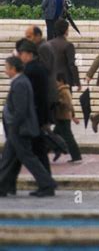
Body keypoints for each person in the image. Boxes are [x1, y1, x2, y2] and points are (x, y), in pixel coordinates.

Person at [0, 56, 56, 197]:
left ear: (13, 68)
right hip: (18, 129)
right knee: (7, 158)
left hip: (19, 129)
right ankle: (4, 186)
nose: (5, 71)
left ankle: (47, 184)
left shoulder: (20, 83)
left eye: (7, 68)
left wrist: (14, 127)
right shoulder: (21, 81)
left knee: (28, 158)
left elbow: (21, 109)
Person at [15, 40, 51, 174]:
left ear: (29, 54)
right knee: (36, 150)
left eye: (21, 53)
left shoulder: (31, 70)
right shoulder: (38, 67)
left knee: (36, 150)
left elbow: (34, 97)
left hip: (34, 117)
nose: (20, 56)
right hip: (38, 116)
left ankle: (46, 182)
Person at [24, 25, 56, 118]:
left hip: (45, 91)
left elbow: (46, 68)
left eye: (29, 36)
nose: (27, 39)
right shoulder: (39, 47)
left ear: (38, 36)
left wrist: (30, 63)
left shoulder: (43, 48)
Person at [53, 74, 82, 164]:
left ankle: (76, 156)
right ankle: (58, 150)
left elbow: (68, 104)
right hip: (60, 117)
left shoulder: (64, 91)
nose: (55, 83)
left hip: (63, 118)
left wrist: (73, 117)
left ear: (61, 80)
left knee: (68, 138)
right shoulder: (62, 90)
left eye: (56, 81)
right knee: (54, 136)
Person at [48, 19, 80, 90]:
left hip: (51, 79)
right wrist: (77, 82)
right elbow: (71, 64)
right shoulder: (68, 45)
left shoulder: (48, 44)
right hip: (65, 81)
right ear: (66, 30)